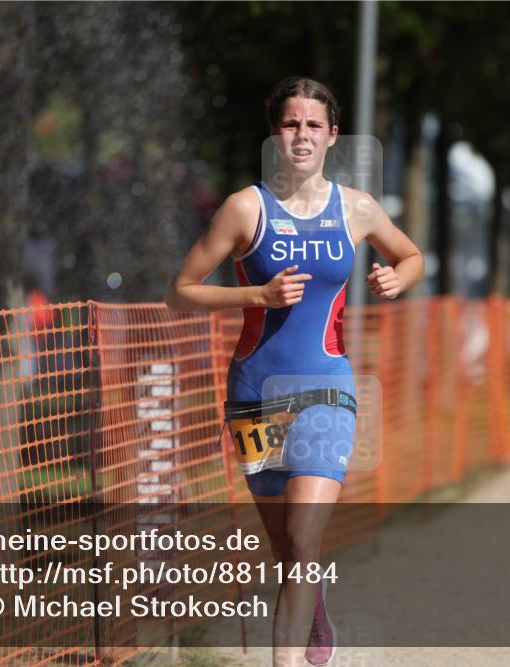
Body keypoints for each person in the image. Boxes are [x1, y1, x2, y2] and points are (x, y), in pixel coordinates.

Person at [166, 76, 424, 667]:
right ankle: (314, 609)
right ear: (274, 133)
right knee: (286, 548)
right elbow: (180, 293)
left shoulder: (356, 208)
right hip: (256, 390)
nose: (301, 135)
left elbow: (411, 255)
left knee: (305, 540)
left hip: (328, 386)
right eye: (290, 124)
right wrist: (257, 296)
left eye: (313, 125)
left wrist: (397, 277)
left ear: (333, 135)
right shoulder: (244, 208)